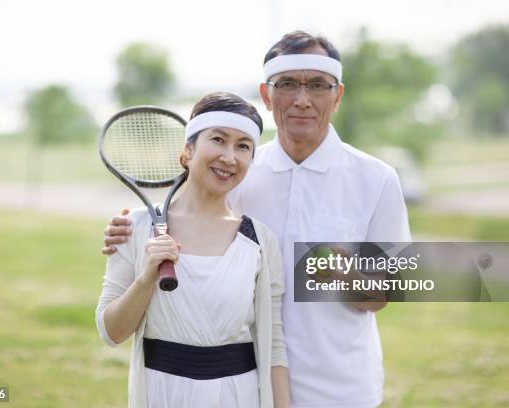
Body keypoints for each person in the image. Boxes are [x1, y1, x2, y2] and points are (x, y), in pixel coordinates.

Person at [103, 32, 411, 408]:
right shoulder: (238, 172)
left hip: (343, 389)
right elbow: (190, 218)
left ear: (337, 95)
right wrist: (131, 232)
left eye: (317, 85)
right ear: (266, 95)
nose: (302, 99)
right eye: (287, 85)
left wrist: (339, 272)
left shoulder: (377, 179)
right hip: (248, 387)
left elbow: (382, 295)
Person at [95, 92, 291, 408]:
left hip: (237, 396)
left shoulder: (259, 240)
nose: (230, 157)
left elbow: (274, 346)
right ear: (187, 152)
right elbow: (111, 332)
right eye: (218, 140)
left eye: (243, 146)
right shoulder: (134, 226)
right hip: (162, 394)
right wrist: (146, 278)